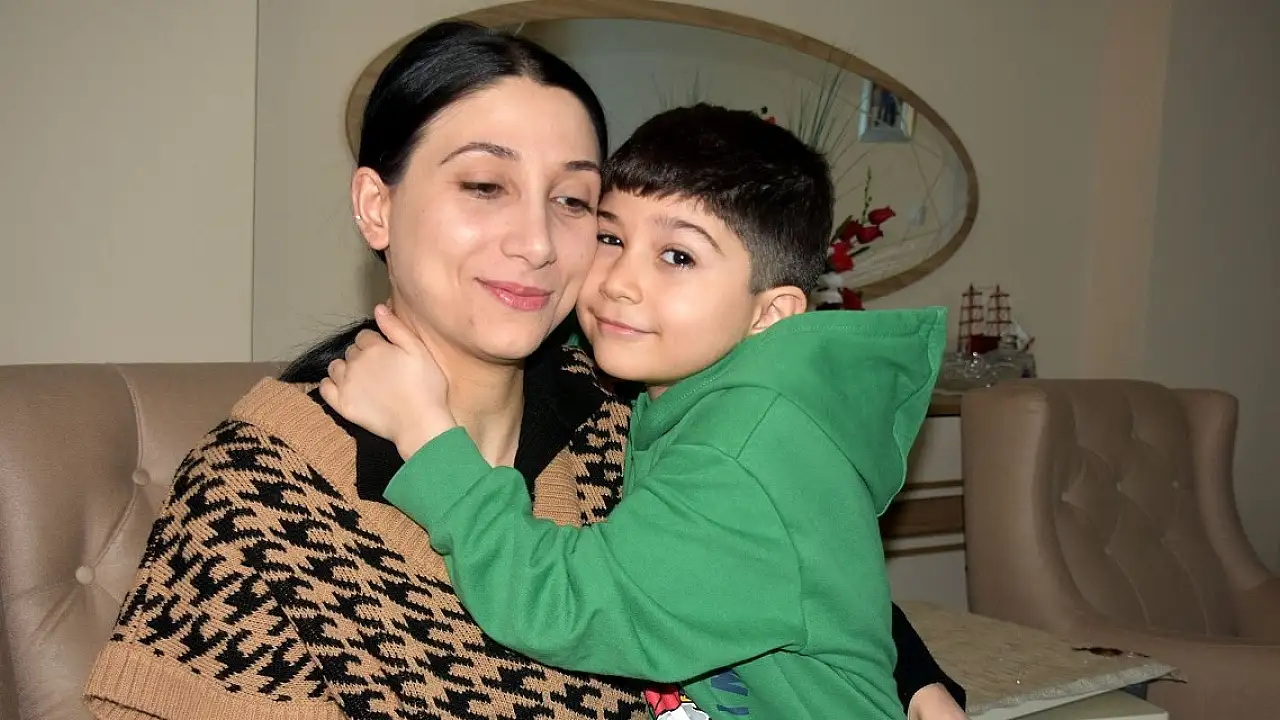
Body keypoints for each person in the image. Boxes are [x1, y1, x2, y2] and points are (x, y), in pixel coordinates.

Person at [83, 20, 966, 720]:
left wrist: (915, 679)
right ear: (376, 206)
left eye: (574, 200)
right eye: (484, 186)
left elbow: (779, 559)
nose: (538, 241)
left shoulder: (624, 420)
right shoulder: (260, 492)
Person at [320, 104, 947, 720]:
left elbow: (566, 605)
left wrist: (427, 434)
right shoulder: (672, 380)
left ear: (771, 313)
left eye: (678, 257)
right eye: (610, 238)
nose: (620, 280)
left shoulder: (744, 454)